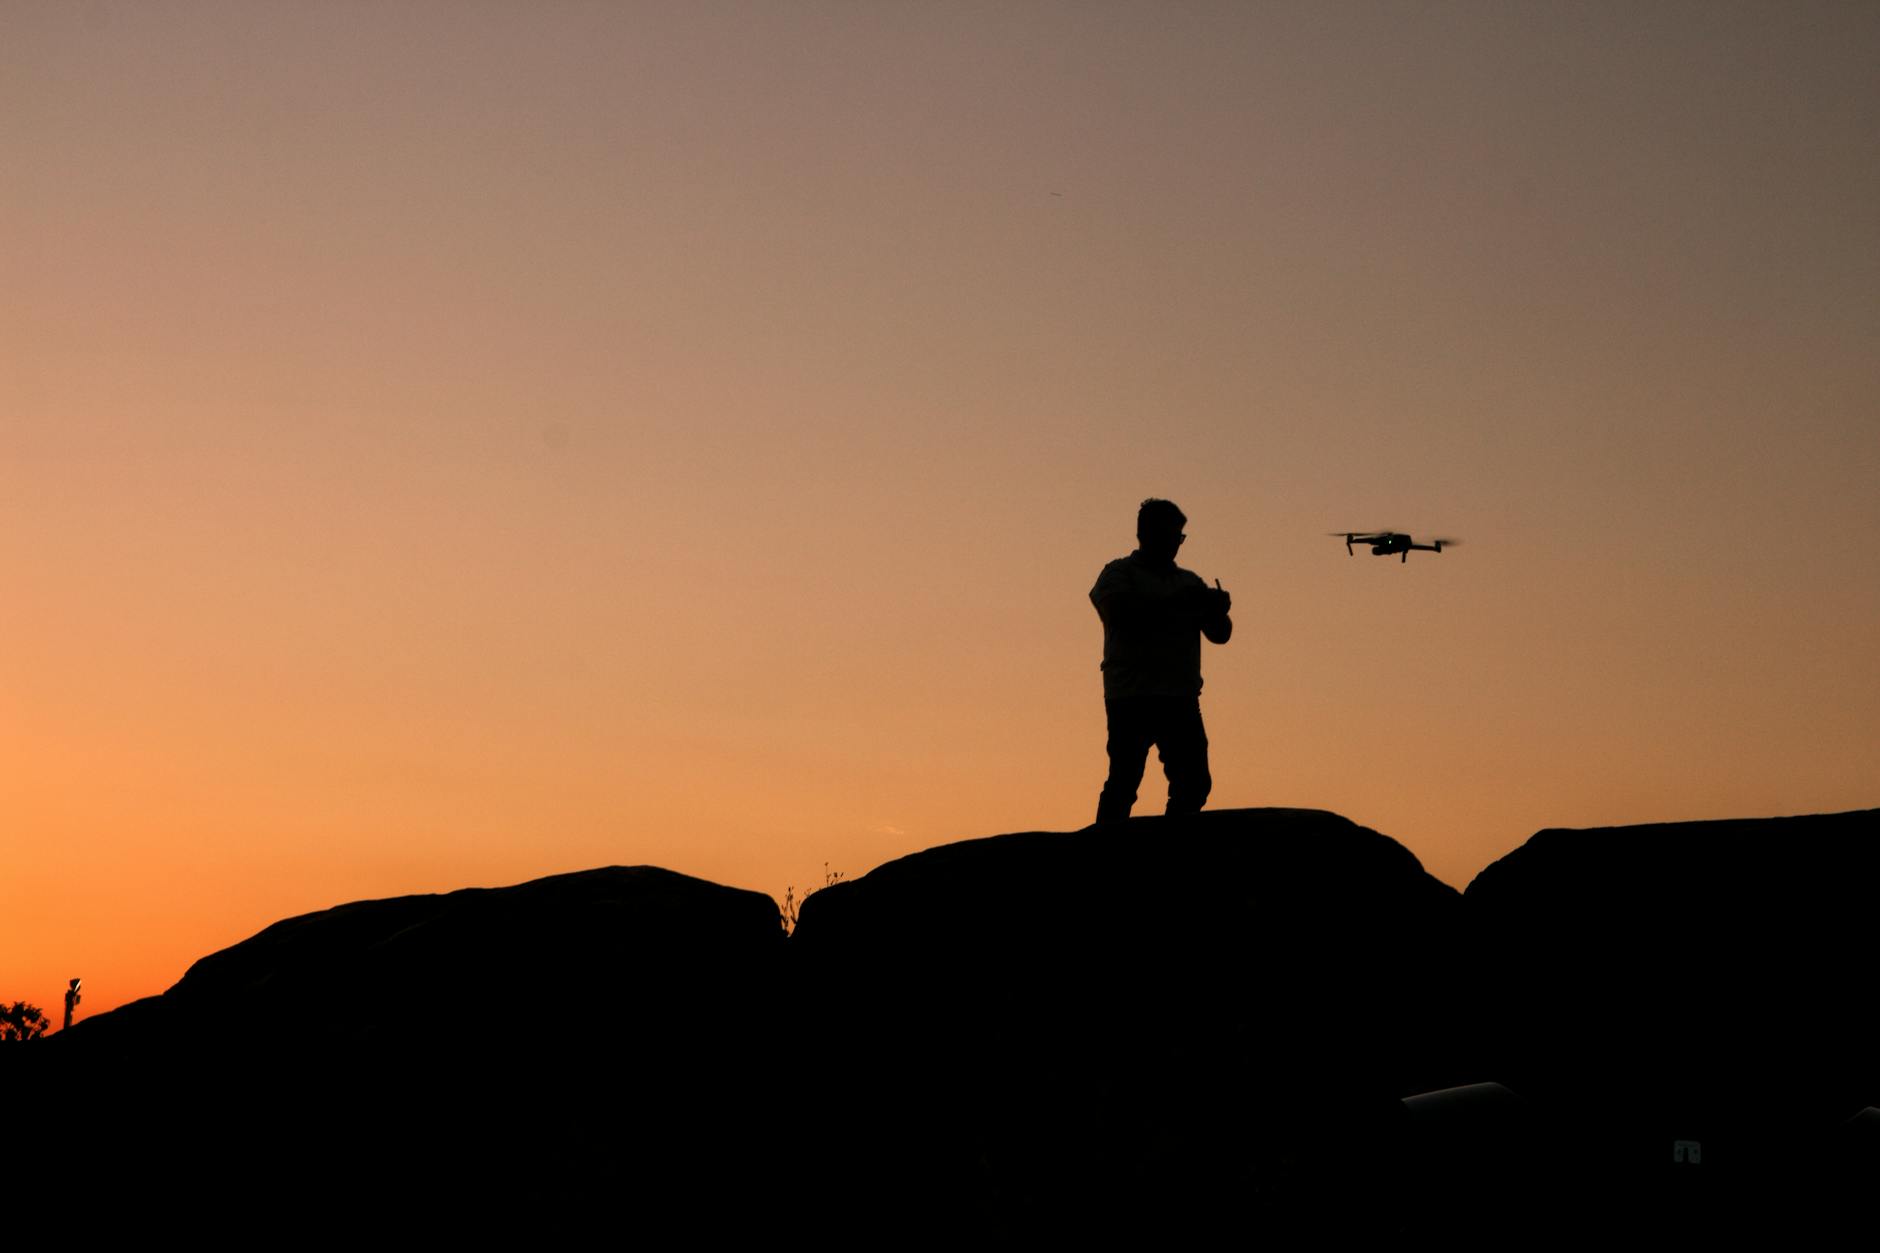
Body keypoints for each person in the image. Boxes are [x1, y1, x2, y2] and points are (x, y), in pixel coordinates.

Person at [1089, 498, 1232, 822]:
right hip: (1132, 696)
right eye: (1171, 535)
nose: (1175, 544)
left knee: (1194, 783)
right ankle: (1100, 854)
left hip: (1179, 697)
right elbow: (1118, 613)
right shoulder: (1117, 574)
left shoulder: (1188, 582)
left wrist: (1216, 609)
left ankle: (1168, 849)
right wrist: (1181, 603)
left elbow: (1220, 634)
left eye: (1179, 537)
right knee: (1124, 782)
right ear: (1146, 534)